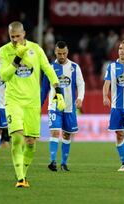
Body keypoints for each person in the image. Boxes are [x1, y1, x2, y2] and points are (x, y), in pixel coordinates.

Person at [0, 21, 64, 188]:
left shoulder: (36, 49)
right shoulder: (4, 51)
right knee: (17, 137)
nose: (14, 40)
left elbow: (48, 69)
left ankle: (22, 172)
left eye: (17, 36)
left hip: (33, 103)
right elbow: (4, 76)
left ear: (24, 34)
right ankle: (20, 179)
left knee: (31, 143)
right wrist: (17, 58)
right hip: (14, 100)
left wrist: (58, 91)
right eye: (12, 37)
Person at [41, 41, 85, 172]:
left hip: (70, 107)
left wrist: (80, 98)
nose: (61, 56)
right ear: (55, 52)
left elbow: (81, 84)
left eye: (64, 53)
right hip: (54, 106)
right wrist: (39, 105)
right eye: (59, 53)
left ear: (67, 52)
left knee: (67, 135)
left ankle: (64, 163)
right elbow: (44, 89)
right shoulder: (49, 67)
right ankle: (53, 161)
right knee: (55, 132)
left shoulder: (74, 67)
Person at [103, 40, 124, 172]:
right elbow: (106, 84)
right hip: (116, 107)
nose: (122, 51)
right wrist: (105, 96)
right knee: (119, 135)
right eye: (120, 48)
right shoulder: (111, 66)